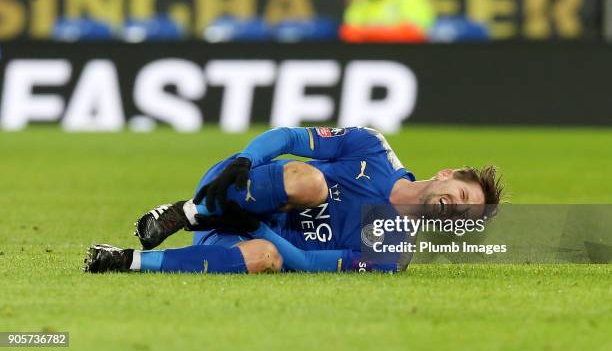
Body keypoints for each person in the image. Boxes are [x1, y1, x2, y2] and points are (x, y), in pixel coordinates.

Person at [83, 127, 503, 274]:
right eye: (463, 195)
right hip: (232, 188)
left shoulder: (393, 251)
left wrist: (254, 228)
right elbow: (289, 137)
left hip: (249, 237)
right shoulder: (372, 149)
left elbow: (306, 263)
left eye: (466, 213)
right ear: (446, 175)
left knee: (268, 258)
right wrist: (245, 159)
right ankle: (188, 212)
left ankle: (125, 261)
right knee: (312, 182)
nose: (457, 206)